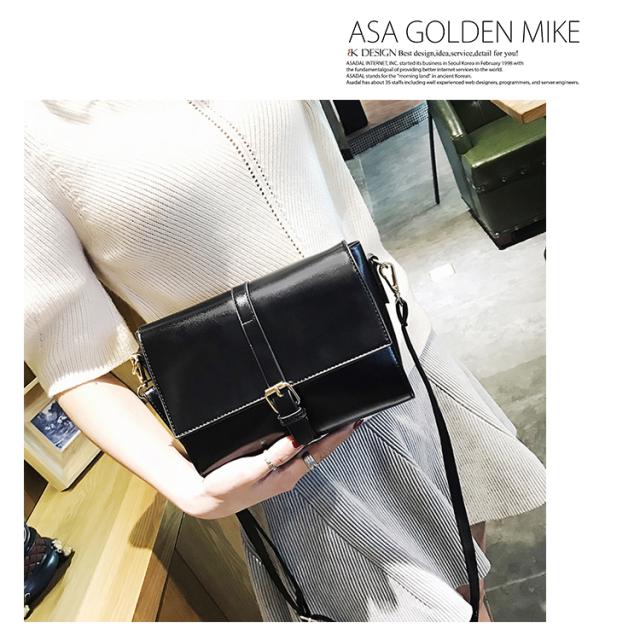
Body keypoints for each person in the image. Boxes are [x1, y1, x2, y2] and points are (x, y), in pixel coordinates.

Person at [24, 100, 545, 622]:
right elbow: (71, 357)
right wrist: (189, 489)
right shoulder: (30, 129)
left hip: (406, 356)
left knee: (473, 593)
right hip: (297, 447)